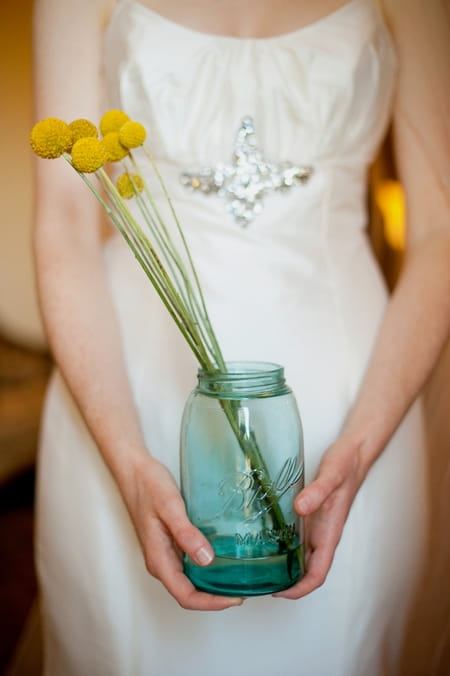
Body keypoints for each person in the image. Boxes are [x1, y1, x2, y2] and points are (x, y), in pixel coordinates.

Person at [32, 0, 450, 674]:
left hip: (356, 402)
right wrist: (127, 457)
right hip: (124, 396)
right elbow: (64, 224)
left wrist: (363, 443)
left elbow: (441, 233)